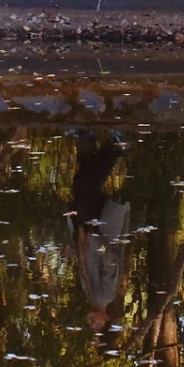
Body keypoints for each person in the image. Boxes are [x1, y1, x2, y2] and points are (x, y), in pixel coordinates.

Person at [65, 134, 131, 339]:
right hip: (96, 228)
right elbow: (111, 260)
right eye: (97, 324)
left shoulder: (90, 294)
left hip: (84, 231)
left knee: (80, 185)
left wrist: (74, 251)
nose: (91, 321)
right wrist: (95, 239)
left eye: (90, 324)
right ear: (106, 318)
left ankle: (97, 144)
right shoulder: (105, 294)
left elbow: (88, 260)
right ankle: (116, 147)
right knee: (87, 188)